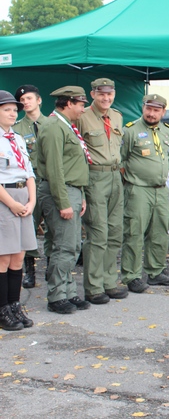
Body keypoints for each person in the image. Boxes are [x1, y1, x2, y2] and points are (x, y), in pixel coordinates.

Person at [36, 86, 92, 314]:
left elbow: (73, 165)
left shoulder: (66, 126)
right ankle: (57, 295)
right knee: (64, 246)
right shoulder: (52, 126)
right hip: (61, 190)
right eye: (81, 104)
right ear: (68, 103)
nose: (83, 109)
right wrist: (63, 202)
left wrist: (82, 196)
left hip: (73, 190)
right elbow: (55, 168)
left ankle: (68, 292)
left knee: (71, 245)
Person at [120, 94, 169, 293]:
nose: (151, 114)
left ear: (163, 112)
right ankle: (132, 275)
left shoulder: (167, 132)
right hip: (138, 189)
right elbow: (121, 161)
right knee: (134, 232)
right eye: (149, 109)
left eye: (156, 110)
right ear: (143, 108)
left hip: (161, 189)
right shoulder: (130, 131)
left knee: (159, 232)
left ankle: (155, 271)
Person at [77, 78, 128, 304]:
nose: (105, 98)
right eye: (101, 94)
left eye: (109, 94)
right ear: (92, 94)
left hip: (116, 176)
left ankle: (109, 281)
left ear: (114, 94)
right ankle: (94, 286)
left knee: (116, 231)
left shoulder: (116, 116)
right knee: (98, 233)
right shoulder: (82, 118)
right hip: (94, 177)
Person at [0, 90, 37, 331]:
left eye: (15, 109)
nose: (13, 113)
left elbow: (29, 171)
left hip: (24, 196)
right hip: (5, 198)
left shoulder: (18, 138)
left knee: (19, 256)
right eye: (7, 110)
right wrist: (11, 203)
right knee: (3, 256)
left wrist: (32, 201)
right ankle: (2, 308)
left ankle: (14, 304)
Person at [13, 85, 49, 289]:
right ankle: (30, 270)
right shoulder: (16, 128)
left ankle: (51, 267)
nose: (25, 102)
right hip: (29, 183)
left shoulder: (52, 124)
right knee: (29, 225)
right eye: (22, 100)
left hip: (49, 181)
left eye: (29, 98)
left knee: (52, 227)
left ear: (39, 100)